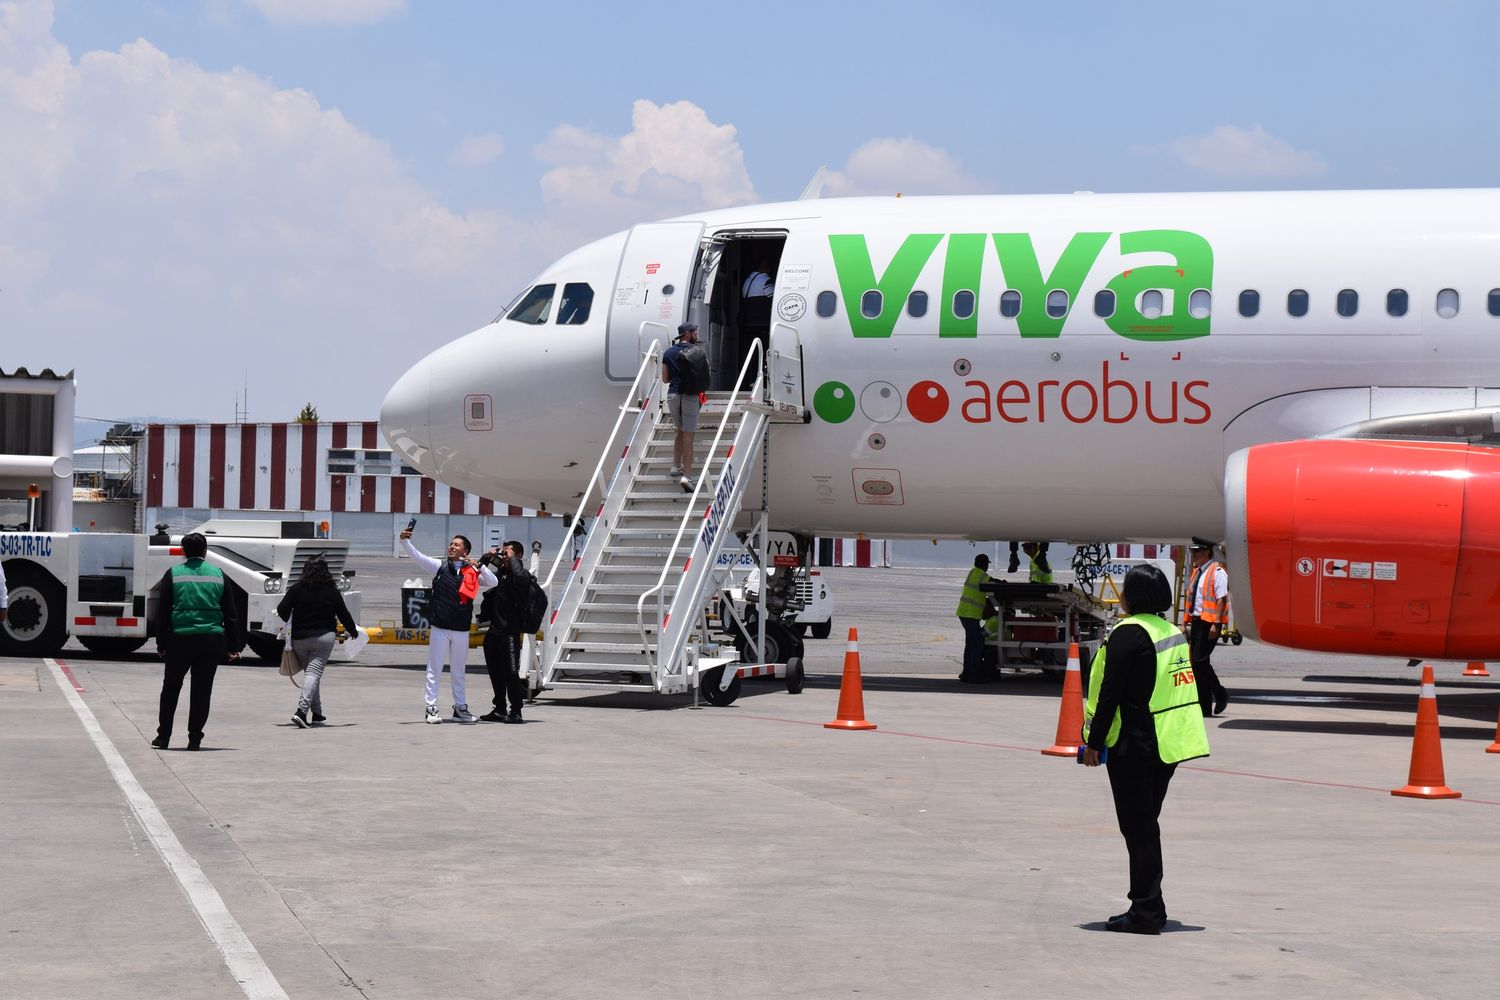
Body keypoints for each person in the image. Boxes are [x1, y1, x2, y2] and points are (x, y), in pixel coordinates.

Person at [1082, 563, 1209, 934]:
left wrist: (1094, 742)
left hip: (1132, 745)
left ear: (1132, 596)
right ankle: (1149, 904)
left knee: (1138, 830)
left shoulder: (1128, 634)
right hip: (1165, 745)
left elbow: (1109, 693)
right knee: (1145, 826)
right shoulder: (1172, 633)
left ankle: (1147, 911)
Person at [151, 532, 243, 750]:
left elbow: (162, 612)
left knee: (171, 688)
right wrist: (234, 646)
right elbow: (231, 614)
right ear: (205, 551)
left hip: (179, 639)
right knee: (202, 690)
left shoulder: (173, 574)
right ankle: (195, 738)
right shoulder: (218, 574)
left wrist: (161, 643)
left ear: (183, 551)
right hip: (210, 641)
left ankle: (163, 737)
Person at [401, 527, 497, 723]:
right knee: (434, 668)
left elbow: (493, 581)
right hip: (440, 627)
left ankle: (460, 709)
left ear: (465, 551)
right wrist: (404, 542)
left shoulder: (473, 571)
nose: (452, 546)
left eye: (457, 544)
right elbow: (417, 556)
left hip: (461, 628)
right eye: (451, 544)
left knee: (458, 670)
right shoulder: (439, 567)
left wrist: (479, 565)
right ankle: (431, 708)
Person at [275, 555, 359, 729]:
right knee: (313, 675)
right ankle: (301, 711)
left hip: (299, 639)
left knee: (312, 675)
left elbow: (281, 609)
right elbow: (344, 613)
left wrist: (291, 621)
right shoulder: (331, 590)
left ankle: (318, 715)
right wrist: (353, 631)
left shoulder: (296, 589)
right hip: (323, 639)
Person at [479, 540, 533, 723]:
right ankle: (500, 708)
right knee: (495, 673)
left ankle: (516, 711)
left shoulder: (523, 576)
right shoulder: (501, 574)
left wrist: (512, 560)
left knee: (511, 673)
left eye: (508, 553)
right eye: (504, 553)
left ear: (518, 556)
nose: (504, 556)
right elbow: (479, 575)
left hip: (510, 633)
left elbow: (521, 576)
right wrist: (486, 559)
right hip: (494, 632)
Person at [1184, 537, 1230, 717]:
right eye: (1193, 552)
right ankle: (1204, 707)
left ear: (1207, 553)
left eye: (1197, 552)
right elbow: (1191, 599)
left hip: (1209, 623)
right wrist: (1184, 622)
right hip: (1197, 621)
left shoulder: (1217, 572)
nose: (1194, 555)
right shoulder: (1197, 572)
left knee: (1200, 661)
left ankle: (1220, 693)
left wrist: (1216, 623)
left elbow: (1221, 599)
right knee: (1196, 664)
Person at [662, 322, 707, 492]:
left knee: (680, 431)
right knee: (689, 437)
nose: (697, 335)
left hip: (672, 396)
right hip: (689, 397)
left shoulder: (668, 352)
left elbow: (665, 379)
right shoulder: (697, 352)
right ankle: (686, 476)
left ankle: (675, 466)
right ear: (687, 334)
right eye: (695, 332)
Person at [955, 553, 994, 683]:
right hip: (970, 614)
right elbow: (992, 582)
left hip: (964, 613)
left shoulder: (972, 573)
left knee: (971, 643)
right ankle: (974, 673)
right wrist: (1003, 582)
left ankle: (966, 672)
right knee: (977, 643)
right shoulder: (981, 575)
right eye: (987, 564)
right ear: (984, 564)